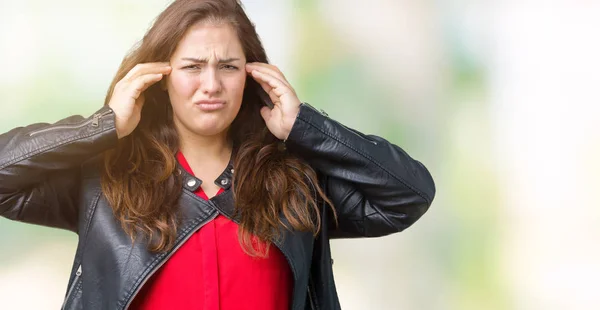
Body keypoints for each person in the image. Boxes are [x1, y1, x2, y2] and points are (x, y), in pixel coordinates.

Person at [0, 0, 435, 309]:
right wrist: (103, 125)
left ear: (251, 75)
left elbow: (407, 194)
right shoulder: (106, 178)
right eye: (192, 67)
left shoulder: (293, 180)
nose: (211, 85)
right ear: (159, 78)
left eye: (228, 66)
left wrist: (305, 126)